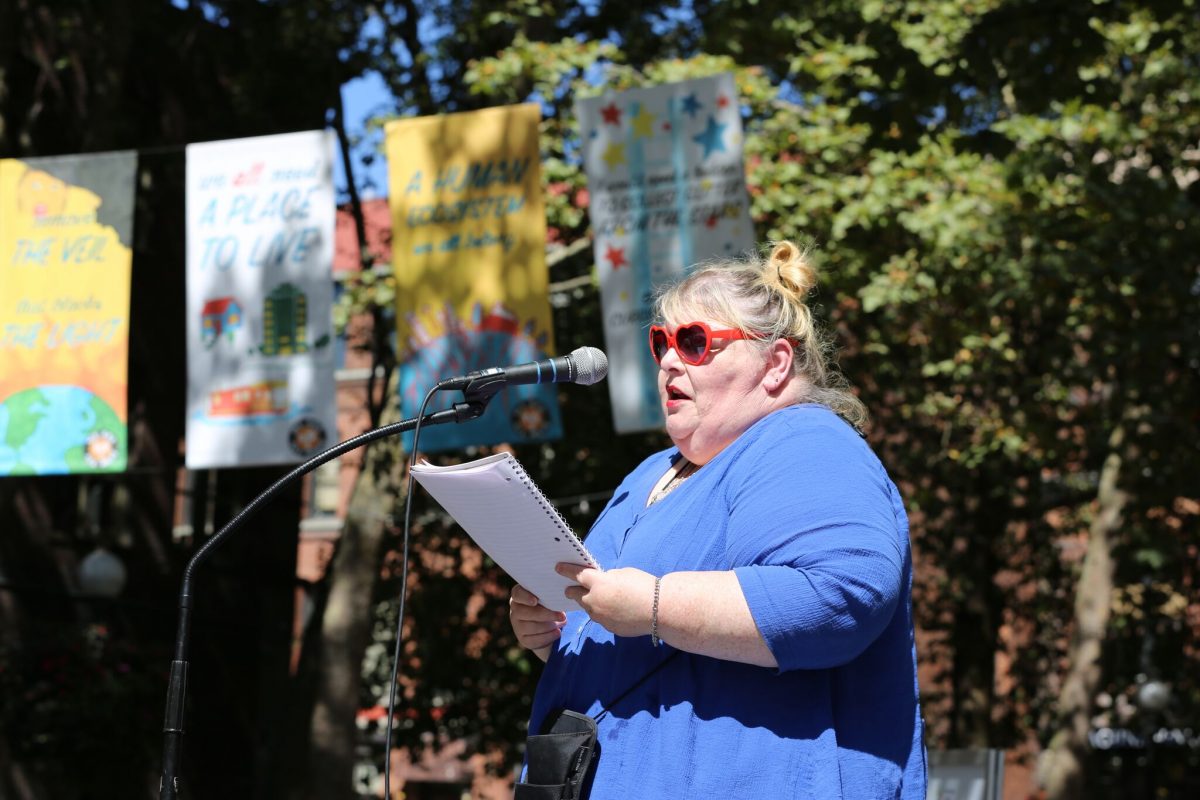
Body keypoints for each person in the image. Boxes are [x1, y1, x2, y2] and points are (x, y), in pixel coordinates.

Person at [509, 241, 926, 799]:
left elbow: (841, 591)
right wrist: (557, 640)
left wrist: (654, 604)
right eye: (661, 341)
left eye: (695, 342)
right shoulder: (650, 473)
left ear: (775, 364)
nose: (668, 360)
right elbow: (645, 644)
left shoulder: (804, 441)